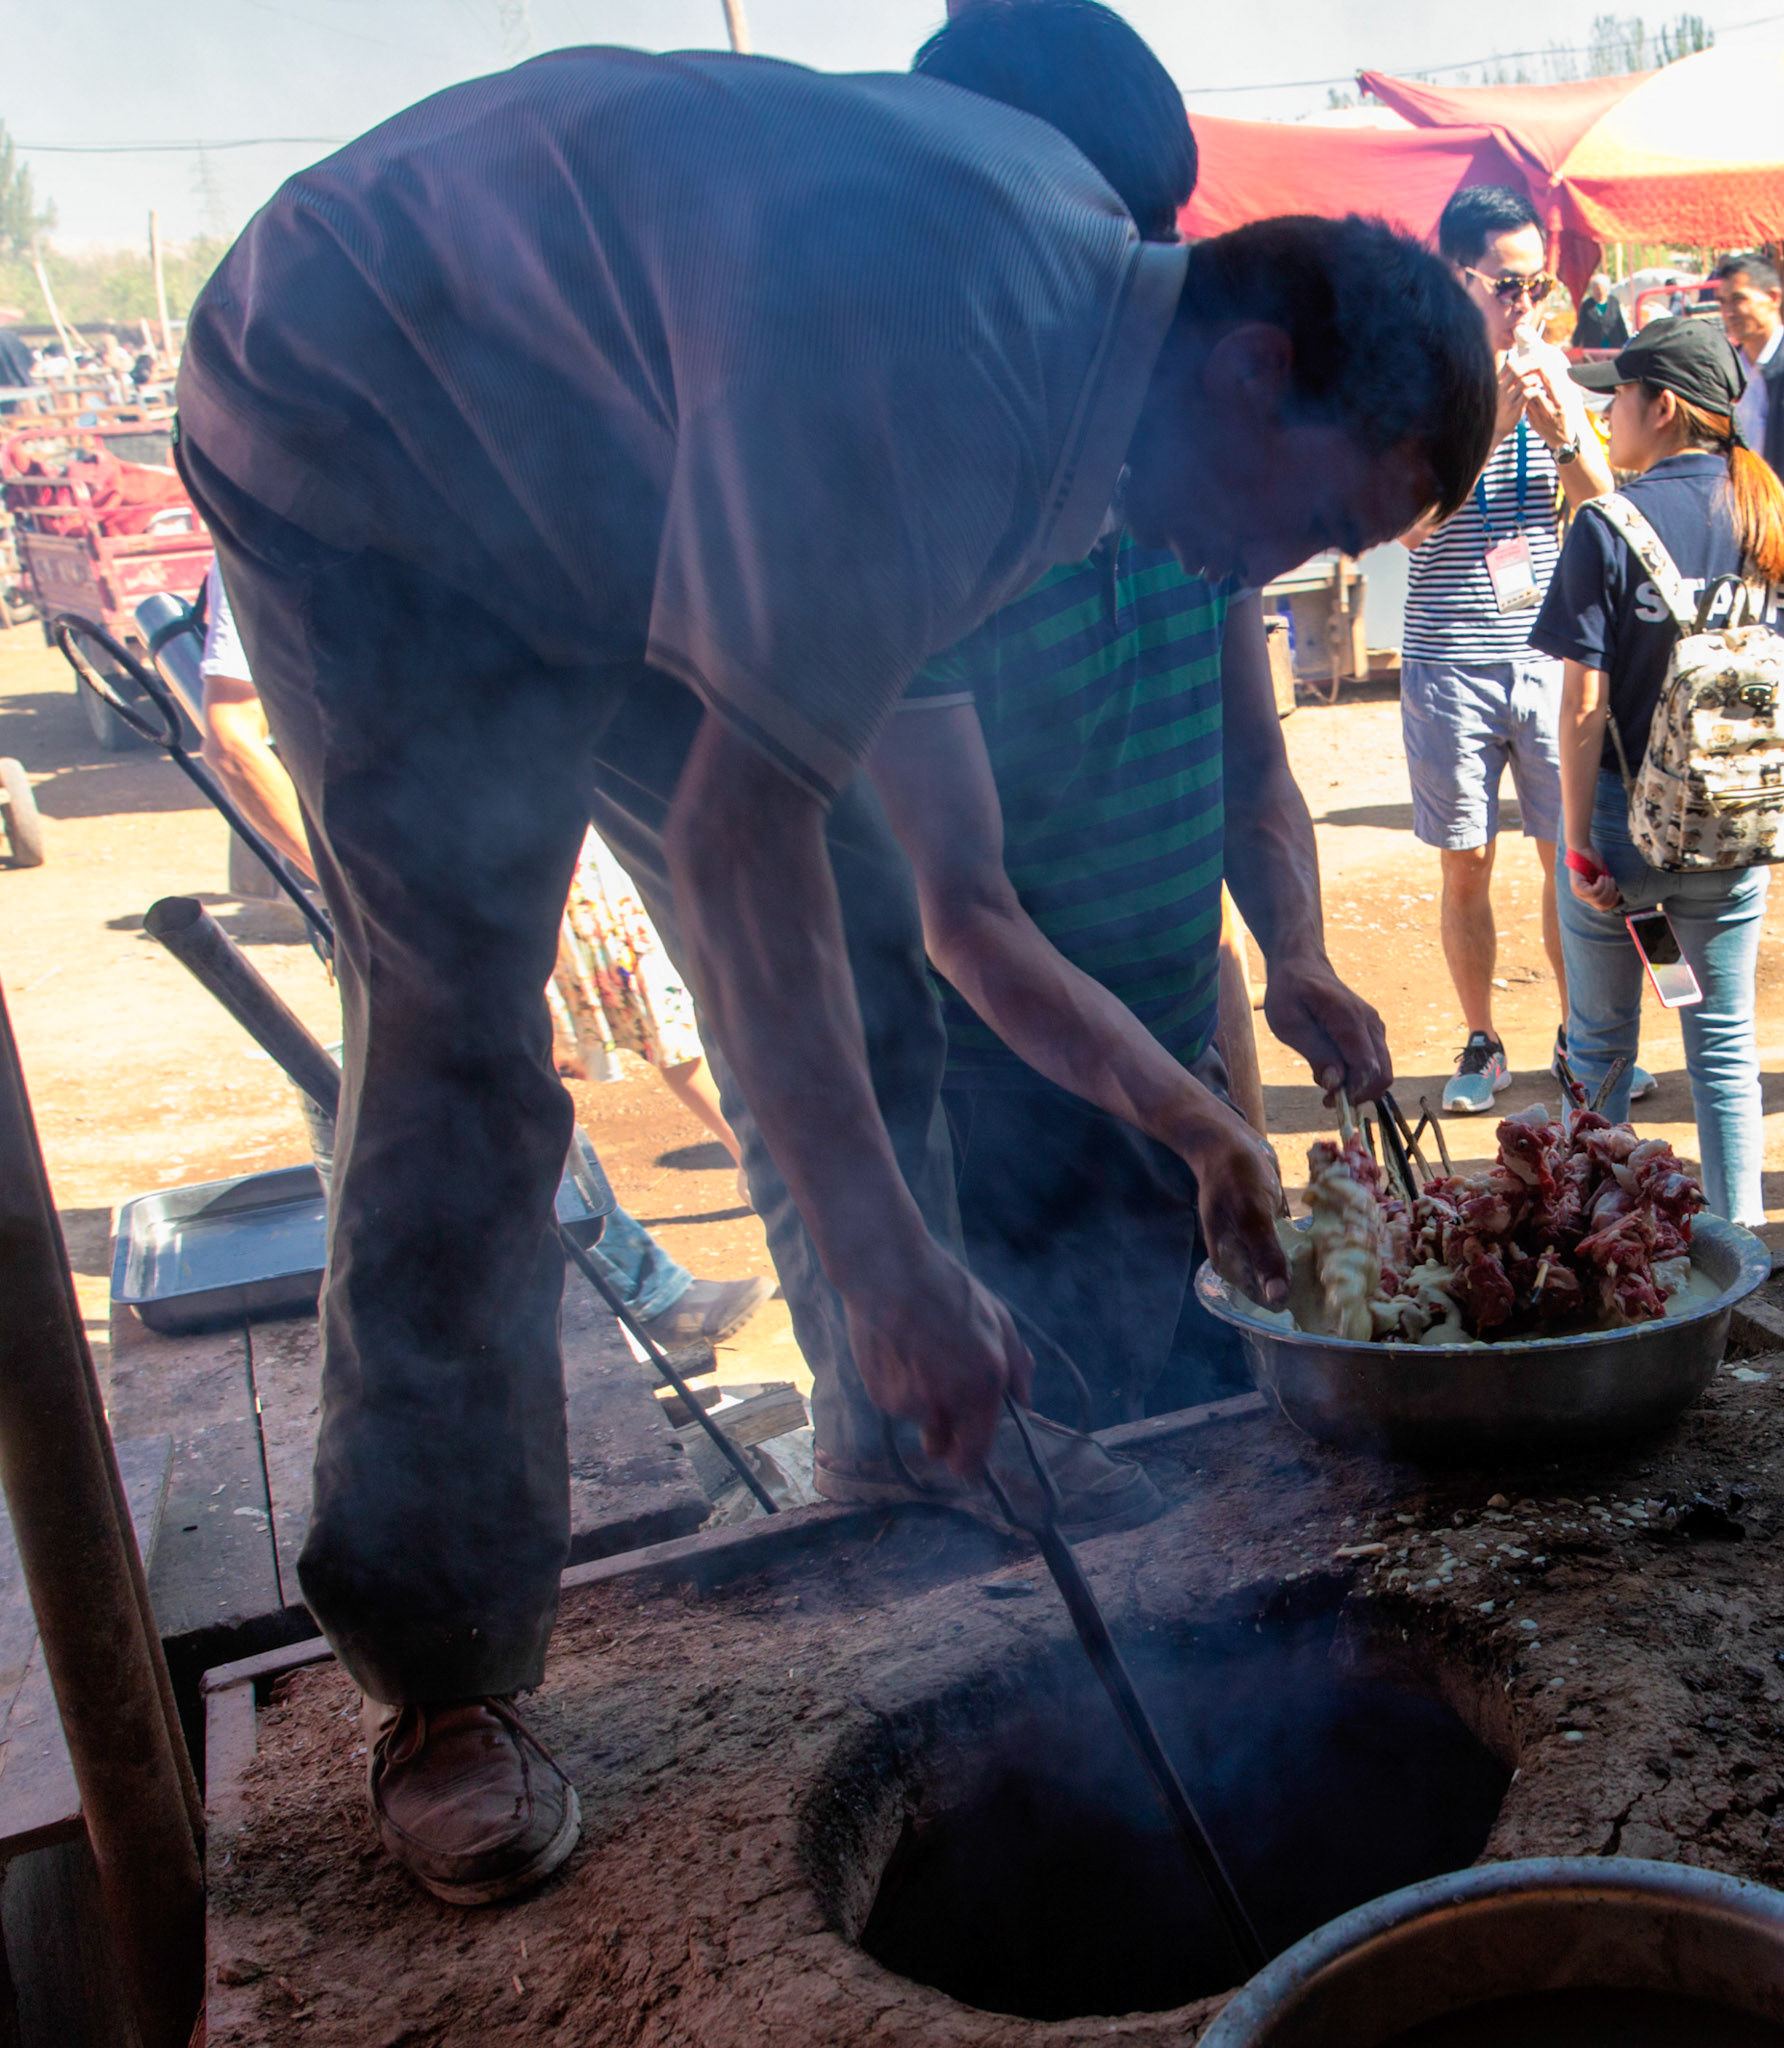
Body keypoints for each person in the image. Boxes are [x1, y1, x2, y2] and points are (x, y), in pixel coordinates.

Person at [176, 41, 1493, 1906]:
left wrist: (1166, 1122)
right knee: (465, 1035)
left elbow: (827, 860)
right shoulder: (956, 367)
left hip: (614, 479)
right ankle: (447, 1668)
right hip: (365, 432)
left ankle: (914, 1429)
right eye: (1324, 522)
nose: (1280, 572)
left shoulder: (1067, 431)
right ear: (1254, 366)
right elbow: (726, 845)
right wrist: (882, 1263)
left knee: (856, 916)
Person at [870, 0, 1387, 1428]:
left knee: (1246, 1453)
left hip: (1183, 1078)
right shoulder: (924, 491)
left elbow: (1252, 769)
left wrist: (1294, 952)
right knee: (1049, 1492)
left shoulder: (1199, 472)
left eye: (1151, 237)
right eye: (1105, 237)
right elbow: (960, 911)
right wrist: (1181, 1110)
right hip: (998, 1130)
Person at [195, 565, 768, 1347]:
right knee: (459, 1108)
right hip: (405, 891)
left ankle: (631, 1291)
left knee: (511, 1086)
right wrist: (357, 891)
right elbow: (231, 740)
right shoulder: (263, 545)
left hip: (501, 858)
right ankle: (595, 1311)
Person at [1534, 317, 1784, 1223]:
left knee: (1599, 1046)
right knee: (1722, 1044)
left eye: (1619, 401)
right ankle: (1744, 1249)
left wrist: (1572, 843)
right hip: (1733, 828)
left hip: (1616, 827)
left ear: (1665, 407)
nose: (1609, 419)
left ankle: (1594, 1246)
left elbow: (1584, 707)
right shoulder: (1767, 514)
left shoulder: (1608, 525)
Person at [1399, 184, 1632, 1115]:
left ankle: (1579, 1039)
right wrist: (1488, 428)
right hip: (1449, 654)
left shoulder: (1554, 366)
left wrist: (1557, 429)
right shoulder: (1417, 383)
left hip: (1547, 652)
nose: (1530, 303)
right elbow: (1409, 527)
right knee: (1467, 858)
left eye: (1542, 286)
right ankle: (1481, 1038)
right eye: (1512, 284)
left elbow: (1603, 499)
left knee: (1561, 853)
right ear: (1460, 278)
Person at [1713, 251, 1784, 480]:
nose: (1728, 313)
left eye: (1738, 299)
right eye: (1723, 302)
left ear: (1773, 298)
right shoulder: (1727, 372)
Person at [1572, 273, 1628, 353]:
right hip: (1593, 348)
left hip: (1613, 347)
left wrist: (1626, 342)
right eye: (1594, 289)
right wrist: (1575, 344)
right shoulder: (1587, 305)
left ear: (1605, 289)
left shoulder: (1614, 303)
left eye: (1599, 289)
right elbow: (1581, 326)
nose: (1597, 292)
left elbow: (1620, 323)